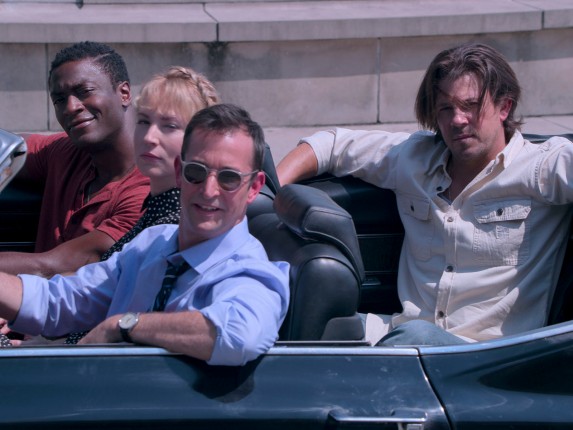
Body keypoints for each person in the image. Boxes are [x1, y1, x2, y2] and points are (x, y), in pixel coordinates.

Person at [277, 42, 573, 346]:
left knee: (414, 336)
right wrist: (266, 195)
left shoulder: (543, 166)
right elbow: (330, 145)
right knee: (297, 318)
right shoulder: (415, 158)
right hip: (402, 333)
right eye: (446, 108)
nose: (457, 120)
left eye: (471, 105)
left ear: (504, 107)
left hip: (485, 355)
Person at [0, 104, 290, 365]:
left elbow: (238, 335)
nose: (209, 190)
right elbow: (60, 300)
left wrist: (123, 326)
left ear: (254, 187)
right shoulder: (154, 242)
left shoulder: (249, 272)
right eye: (196, 172)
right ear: (179, 172)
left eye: (228, 178)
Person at [63, 66, 220, 345]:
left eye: (169, 126)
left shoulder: (175, 227)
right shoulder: (157, 209)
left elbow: (126, 328)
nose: (149, 137)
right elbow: (96, 289)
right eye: (144, 121)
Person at [0, 41, 150, 278]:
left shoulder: (150, 191)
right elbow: (10, 148)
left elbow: (51, 267)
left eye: (84, 91)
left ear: (124, 93)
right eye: (59, 100)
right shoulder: (66, 152)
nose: (70, 107)